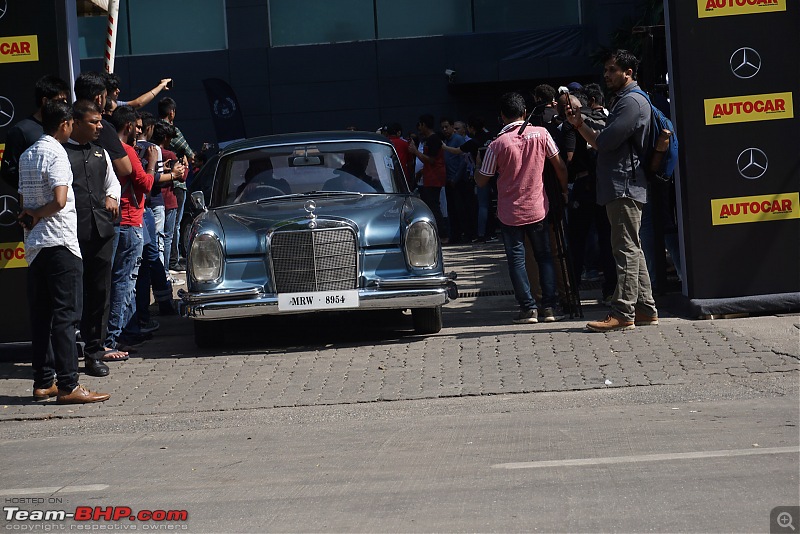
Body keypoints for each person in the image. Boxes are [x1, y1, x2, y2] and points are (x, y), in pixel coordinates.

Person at [17, 99, 110, 404]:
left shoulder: (27, 154)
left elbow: (22, 202)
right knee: (66, 317)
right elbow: (59, 200)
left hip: (35, 246)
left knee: (42, 315)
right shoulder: (57, 153)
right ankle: (69, 385)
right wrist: (39, 214)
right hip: (60, 241)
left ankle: (43, 382)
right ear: (65, 124)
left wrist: (31, 217)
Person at [566, 49, 659, 332]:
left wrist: (584, 126)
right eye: (606, 70)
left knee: (625, 250)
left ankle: (623, 312)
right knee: (632, 247)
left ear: (628, 72)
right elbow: (600, 140)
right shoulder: (626, 100)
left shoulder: (631, 102)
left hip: (624, 185)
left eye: (612, 70)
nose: (606, 75)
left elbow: (604, 142)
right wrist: (579, 123)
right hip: (621, 184)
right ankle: (645, 309)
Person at [476, 92, 568, 324]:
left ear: (502, 116)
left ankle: (528, 309)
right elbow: (559, 166)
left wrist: (478, 165)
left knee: (516, 261)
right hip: (538, 208)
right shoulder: (541, 133)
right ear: (525, 113)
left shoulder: (497, 145)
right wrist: (565, 190)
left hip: (510, 213)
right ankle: (549, 307)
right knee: (544, 257)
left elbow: (482, 180)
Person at [64, 100, 124, 372]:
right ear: (75, 123)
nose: (100, 126)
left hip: (101, 232)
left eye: (101, 121)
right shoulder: (61, 154)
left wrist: (112, 197)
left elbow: (114, 182)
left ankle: (94, 354)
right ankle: (65, 357)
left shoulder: (101, 153)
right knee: (74, 297)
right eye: (94, 122)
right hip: (71, 234)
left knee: (100, 292)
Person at [105, 105, 157, 351]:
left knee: (117, 280)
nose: (139, 131)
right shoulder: (126, 152)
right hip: (129, 221)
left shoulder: (107, 149)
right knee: (126, 281)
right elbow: (146, 184)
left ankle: (117, 335)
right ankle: (116, 336)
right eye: (136, 127)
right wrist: (152, 163)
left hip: (115, 222)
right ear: (127, 127)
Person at [1, 75, 70, 190]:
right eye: (60, 101)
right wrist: (34, 188)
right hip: (37, 202)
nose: (64, 105)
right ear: (45, 101)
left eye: (66, 101)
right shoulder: (21, 130)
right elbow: (9, 171)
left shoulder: (67, 125)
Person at [408, 114, 446, 239]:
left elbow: (431, 160)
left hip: (434, 178)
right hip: (429, 177)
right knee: (431, 205)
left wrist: (415, 151)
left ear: (424, 125)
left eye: (420, 125)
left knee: (433, 206)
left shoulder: (433, 139)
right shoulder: (429, 139)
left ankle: (441, 234)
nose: (419, 128)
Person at [440, 117, 473, 243]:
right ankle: (456, 234)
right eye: (442, 127)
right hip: (448, 180)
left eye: (446, 127)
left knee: (461, 209)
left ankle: (466, 233)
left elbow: (463, 162)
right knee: (452, 210)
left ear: (452, 126)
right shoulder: (445, 141)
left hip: (458, 180)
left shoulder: (458, 139)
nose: (444, 129)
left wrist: (456, 178)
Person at [104, 72, 173, 110]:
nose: (118, 91)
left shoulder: (117, 104)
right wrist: (161, 86)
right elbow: (138, 104)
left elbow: (138, 103)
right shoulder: (100, 108)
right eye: (114, 89)